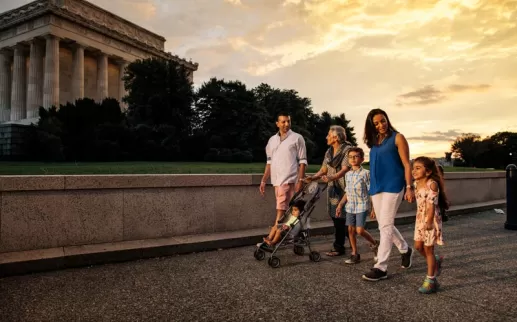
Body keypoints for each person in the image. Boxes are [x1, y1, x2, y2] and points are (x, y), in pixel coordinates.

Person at [361, 108, 415, 282]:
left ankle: (381, 267)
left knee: (385, 226)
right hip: (377, 187)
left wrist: (409, 186)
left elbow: (407, 164)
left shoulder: (397, 137)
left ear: (387, 119)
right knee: (384, 225)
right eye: (376, 123)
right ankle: (405, 248)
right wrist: (371, 193)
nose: (381, 125)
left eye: (382, 121)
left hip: (394, 184)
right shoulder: (374, 142)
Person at [304, 125, 352, 257]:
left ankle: (339, 247)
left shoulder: (347, 150)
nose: (326, 137)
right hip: (333, 188)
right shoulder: (329, 151)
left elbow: (344, 169)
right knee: (336, 217)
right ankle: (347, 242)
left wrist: (332, 177)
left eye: (329, 135)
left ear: (335, 137)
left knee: (342, 218)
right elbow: (324, 169)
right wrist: (313, 177)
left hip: (345, 188)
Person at [260, 112, 307, 227]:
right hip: (276, 181)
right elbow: (269, 162)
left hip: (290, 180)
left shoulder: (297, 138)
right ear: (277, 124)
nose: (286, 124)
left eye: (288, 121)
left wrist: (300, 181)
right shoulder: (272, 140)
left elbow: (303, 161)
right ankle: (291, 237)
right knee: (289, 212)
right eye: (283, 122)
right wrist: (263, 180)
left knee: (285, 211)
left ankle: (274, 237)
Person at [412, 156, 449, 294]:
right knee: (418, 246)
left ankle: (431, 280)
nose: (414, 171)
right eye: (413, 168)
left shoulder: (432, 184)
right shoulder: (416, 183)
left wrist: (428, 221)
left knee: (429, 250)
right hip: (420, 218)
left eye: (418, 168)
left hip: (430, 220)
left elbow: (431, 206)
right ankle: (436, 261)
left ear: (427, 171)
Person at [336, 147, 379, 264]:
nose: (353, 159)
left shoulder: (366, 174)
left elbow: (371, 192)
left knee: (359, 230)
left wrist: (373, 208)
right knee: (350, 230)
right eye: (350, 157)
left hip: (361, 205)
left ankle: (375, 244)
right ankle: (354, 254)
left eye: (356, 156)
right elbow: (347, 192)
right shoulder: (348, 174)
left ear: (362, 159)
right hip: (350, 206)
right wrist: (340, 205)